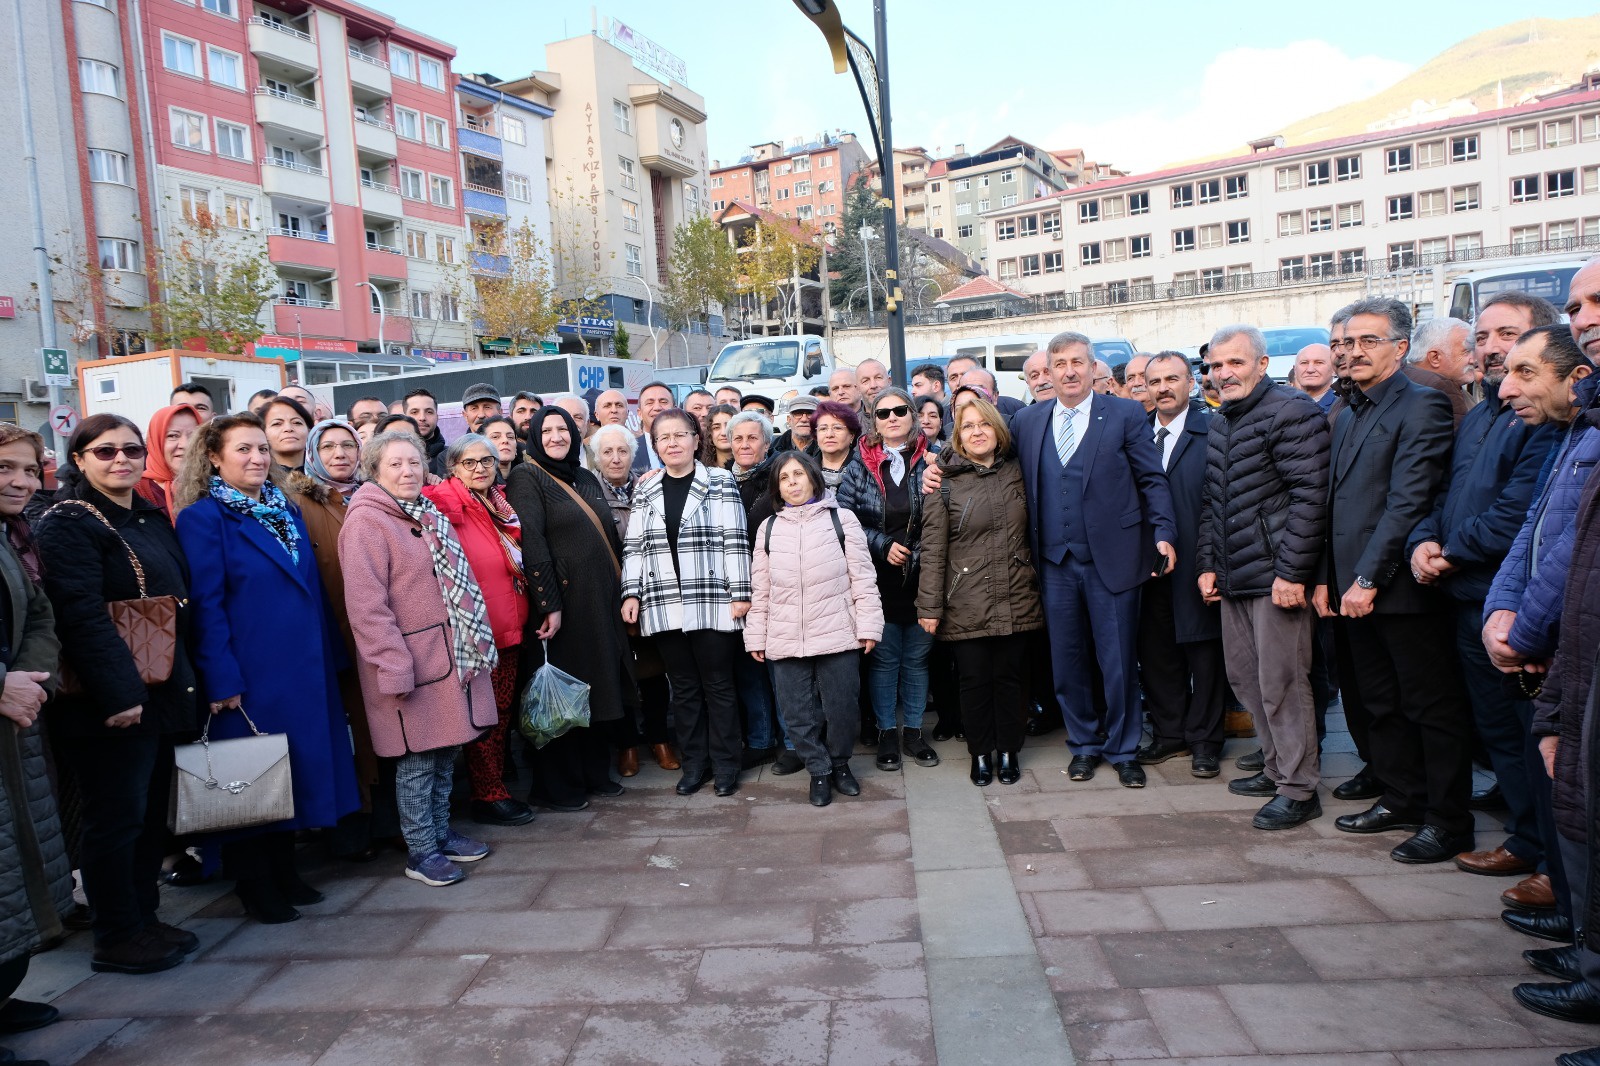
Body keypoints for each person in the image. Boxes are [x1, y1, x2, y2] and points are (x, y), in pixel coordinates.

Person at [173, 414, 361, 920]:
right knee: (249, 775)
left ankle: (284, 871)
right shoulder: (204, 518)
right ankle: (253, 883)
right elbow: (206, 606)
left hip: (303, 667)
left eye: (262, 449)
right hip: (250, 672)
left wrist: (332, 657)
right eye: (243, 450)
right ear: (214, 457)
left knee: (291, 772)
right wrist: (221, 676)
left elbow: (311, 589)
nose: (257, 458)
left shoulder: (283, 507)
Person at [37, 415, 201, 973]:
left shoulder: (146, 515)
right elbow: (79, 615)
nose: (121, 460)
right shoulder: (69, 522)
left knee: (149, 815)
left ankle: (143, 918)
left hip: (159, 690)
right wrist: (119, 694)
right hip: (110, 702)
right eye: (104, 451)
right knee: (116, 818)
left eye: (131, 450)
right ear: (78, 459)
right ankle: (116, 935)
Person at [1410, 294, 1562, 887]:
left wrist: (1448, 553)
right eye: (1483, 336)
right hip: (1467, 597)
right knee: (1496, 726)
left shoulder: (1546, 421)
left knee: (1533, 733)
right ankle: (1525, 840)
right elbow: (1444, 493)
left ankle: (1551, 861)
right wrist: (1423, 541)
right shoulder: (1481, 414)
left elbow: (1517, 514)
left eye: (1508, 335)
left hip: (1515, 602)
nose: (1492, 348)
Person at [1314, 299, 1468, 864]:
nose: (1352, 352)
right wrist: (1327, 580)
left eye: (1368, 341)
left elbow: (1407, 503)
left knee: (1429, 706)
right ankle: (1402, 797)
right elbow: (1335, 504)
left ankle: (1448, 821)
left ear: (1400, 348)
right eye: (1346, 342)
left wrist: (1366, 578)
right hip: (1351, 586)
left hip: (1397, 588)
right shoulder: (1349, 409)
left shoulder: (1422, 404)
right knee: (1378, 702)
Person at [1008, 332, 1176, 788]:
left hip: (1113, 559)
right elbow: (988, 460)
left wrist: (1164, 533)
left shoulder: (1123, 413)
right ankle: (1083, 744)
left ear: (1092, 367)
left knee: (1118, 661)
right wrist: (941, 469)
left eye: (1077, 362)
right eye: (1059, 364)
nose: (1068, 372)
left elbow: (1152, 479)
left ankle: (1124, 749)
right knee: (1067, 662)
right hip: (1053, 563)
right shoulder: (1027, 421)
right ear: (1048, 372)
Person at [1483, 321, 1599, 941]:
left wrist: (1522, 632)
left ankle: (1583, 939)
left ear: (1575, 376)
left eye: (1524, 372)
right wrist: (1499, 613)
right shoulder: (1573, 432)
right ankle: (1574, 924)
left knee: (1574, 794)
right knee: (1554, 783)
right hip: (1538, 642)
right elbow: (1533, 528)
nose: (1506, 389)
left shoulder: (1588, 432)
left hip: (1562, 645)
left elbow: (1573, 550)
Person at [340, 431, 496, 887]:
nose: (407, 471)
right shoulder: (366, 522)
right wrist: (393, 664)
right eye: (395, 464)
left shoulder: (425, 511)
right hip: (410, 660)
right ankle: (421, 850)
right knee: (417, 763)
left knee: (446, 752)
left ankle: (441, 833)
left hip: (447, 655)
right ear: (375, 471)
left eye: (413, 462)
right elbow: (367, 607)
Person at [1194, 331, 1327, 827]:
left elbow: (1311, 497)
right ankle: (1275, 769)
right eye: (1216, 365)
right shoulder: (1222, 420)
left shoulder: (1291, 411)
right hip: (1234, 575)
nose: (1224, 373)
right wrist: (1208, 564)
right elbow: (1213, 501)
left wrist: (1291, 573)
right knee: (1247, 680)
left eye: (1236, 362)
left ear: (1263, 363)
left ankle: (1299, 788)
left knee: (1283, 683)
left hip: (1275, 578)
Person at [512, 406, 641, 809]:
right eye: (546, 430)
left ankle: (594, 774)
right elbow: (532, 542)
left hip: (599, 602)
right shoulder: (526, 477)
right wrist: (549, 603)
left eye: (563, 429)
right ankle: (560, 786)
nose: (556, 437)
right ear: (535, 437)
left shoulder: (584, 476)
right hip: (562, 607)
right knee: (564, 695)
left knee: (598, 689)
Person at [620, 409, 752, 797]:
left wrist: (741, 592)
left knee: (718, 685)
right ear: (655, 445)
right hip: (664, 599)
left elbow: (735, 538)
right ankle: (695, 763)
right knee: (683, 687)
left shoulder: (720, 481)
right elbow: (634, 545)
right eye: (663, 437)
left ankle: (726, 764)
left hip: (713, 597)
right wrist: (631, 593)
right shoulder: (645, 488)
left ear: (696, 440)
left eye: (680, 435)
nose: (672, 443)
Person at [283, 418, 396, 862]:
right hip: (334, 634)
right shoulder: (298, 503)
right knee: (349, 735)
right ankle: (353, 830)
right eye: (328, 446)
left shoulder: (377, 496)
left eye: (347, 445)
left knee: (383, 728)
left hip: (382, 630)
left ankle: (391, 822)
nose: (339, 454)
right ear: (313, 453)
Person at [917, 396, 1042, 787]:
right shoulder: (944, 482)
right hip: (965, 599)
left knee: (1011, 679)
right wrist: (929, 606)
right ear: (958, 435)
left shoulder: (1020, 471)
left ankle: (1008, 750)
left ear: (998, 430)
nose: (977, 432)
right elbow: (933, 550)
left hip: (1017, 594)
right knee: (973, 681)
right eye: (967, 426)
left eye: (984, 424)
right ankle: (981, 753)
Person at [746, 451, 882, 806]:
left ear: (812, 477)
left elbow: (862, 578)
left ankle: (840, 764)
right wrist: (756, 635)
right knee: (797, 713)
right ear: (777, 488)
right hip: (785, 635)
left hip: (838, 632)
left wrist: (869, 625)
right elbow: (761, 589)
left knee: (842, 707)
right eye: (784, 478)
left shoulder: (842, 520)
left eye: (798, 475)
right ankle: (818, 770)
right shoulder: (769, 528)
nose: (792, 483)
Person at [423, 433, 536, 828]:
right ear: (452, 468)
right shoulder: (445, 502)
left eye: (486, 460)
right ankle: (488, 796)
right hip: (477, 634)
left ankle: (494, 786)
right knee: (485, 717)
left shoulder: (499, 503)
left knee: (500, 714)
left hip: (509, 626)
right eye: (468, 462)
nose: (479, 468)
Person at [0, 425, 71, 1044]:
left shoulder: (10, 537)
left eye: (28, 469)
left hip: (16, 719)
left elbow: (40, 615)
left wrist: (26, 680)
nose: (20, 481)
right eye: (4, 468)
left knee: (15, 870)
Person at [837, 386, 940, 772]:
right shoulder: (858, 464)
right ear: (873, 421)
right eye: (883, 413)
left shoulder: (933, 458)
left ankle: (913, 732)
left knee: (917, 658)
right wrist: (882, 545)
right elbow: (844, 520)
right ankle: (886, 733)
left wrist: (919, 551)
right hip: (877, 577)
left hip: (924, 575)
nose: (892, 418)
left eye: (900, 410)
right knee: (884, 660)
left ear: (913, 415)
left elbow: (946, 514)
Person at [590, 423, 677, 775]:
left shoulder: (650, 486)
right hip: (609, 596)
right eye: (607, 452)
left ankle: (659, 738)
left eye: (623, 451)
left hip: (650, 591)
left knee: (654, 670)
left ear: (633, 454)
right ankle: (627, 743)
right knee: (619, 672)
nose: (616, 458)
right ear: (596, 458)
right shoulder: (588, 493)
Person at [135, 403, 199, 519]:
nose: (185, 445)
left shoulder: (214, 485)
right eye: (173, 436)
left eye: (193, 436)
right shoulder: (136, 492)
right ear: (155, 441)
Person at [813, 400, 863, 498]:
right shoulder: (805, 469)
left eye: (837, 428)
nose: (829, 435)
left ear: (852, 435)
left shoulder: (865, 469)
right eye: (823, 429)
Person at [262, 396, 313, 473]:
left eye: (297, 422)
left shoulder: (326, 475)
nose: (288, 428)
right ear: (263, 432)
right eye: (277, 424)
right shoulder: (258, 477)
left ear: (309, 431)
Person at [632, 383, 676, 472]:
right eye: (649, 403)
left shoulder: (688, 447)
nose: (657, 407)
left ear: (675, 410)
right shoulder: (629, 450)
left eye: (663, 402)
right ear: (640, 413)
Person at [403, 388, 446, 472]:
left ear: (437, 417)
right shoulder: (390, 456)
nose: (422, 418)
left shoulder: (453, 457)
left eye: (429, 412)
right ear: (404, 417)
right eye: (414, 412)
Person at [1293, 344, 1335, 413]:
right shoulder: (1284, 405)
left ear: (1334, 369)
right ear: (1295, 370)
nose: (1310, 370)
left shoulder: (1342, 408)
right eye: (1304, 363)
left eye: (1319, 363)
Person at [479, 415, 522, 482]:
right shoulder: (476, 482)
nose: (505, 440)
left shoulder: (530, 476)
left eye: (510, 437)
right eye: (495, 437)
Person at [703, 404, 737, 469]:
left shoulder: (751, 468)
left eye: (729, 426)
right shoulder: (701, 470)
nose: (724, 433)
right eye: (716, 427)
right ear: (709, 433)